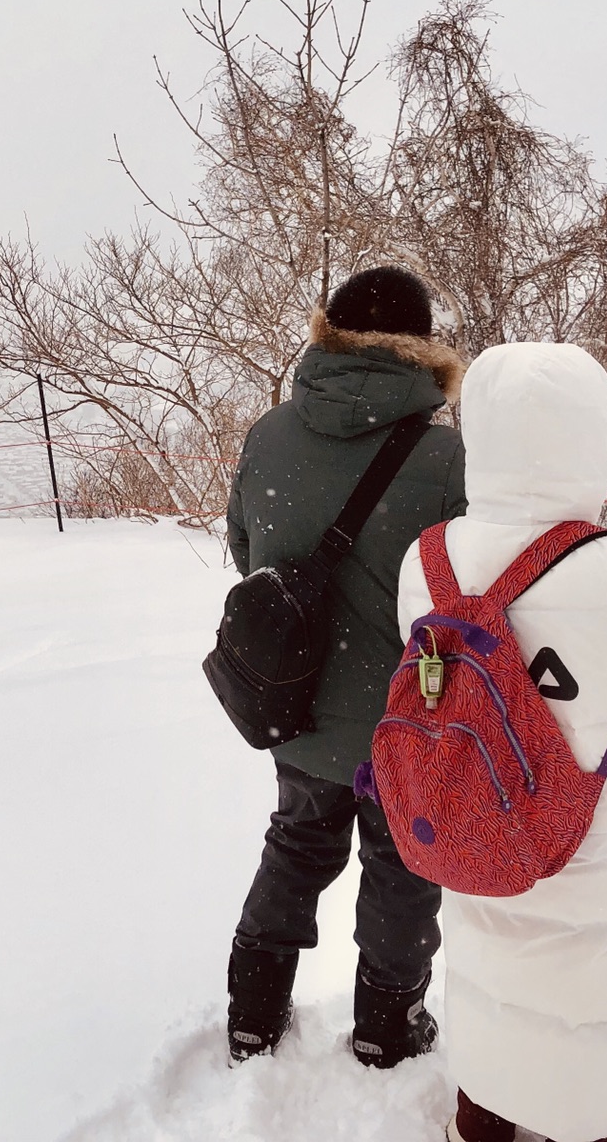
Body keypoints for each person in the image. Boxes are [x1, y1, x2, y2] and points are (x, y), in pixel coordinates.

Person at [395, 343, 607, 1142]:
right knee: (594, 997)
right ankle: (586, 1122)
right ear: (596, 438)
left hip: (471, 819)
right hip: (606, 848)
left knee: (494, 968)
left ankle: (480, 1117)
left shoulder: (429, 556)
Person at [223, 265, 468, 1066]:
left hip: (292, 704)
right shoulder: (448, 458)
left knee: (296, 845)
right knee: (401, 866)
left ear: (328, 333)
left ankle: (254, 1012)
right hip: (402, 717)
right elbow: (469, 592)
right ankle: (385, 1029)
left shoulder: (269, 433)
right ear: (421, 349)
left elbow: (245, 552)